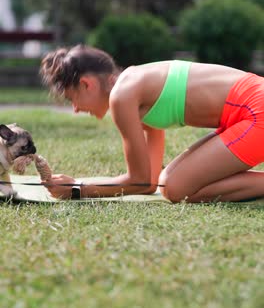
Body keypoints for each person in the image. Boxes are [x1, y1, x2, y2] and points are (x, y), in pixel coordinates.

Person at [40, 44, 264, 202]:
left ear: (86, 84)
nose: (76, 109)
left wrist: (78, 189)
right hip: (249, 111)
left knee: (176, 187)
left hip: (257, 111)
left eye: (72, 99)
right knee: (173, 184)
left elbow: (139, 181)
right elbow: (149, 181)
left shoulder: (122, 95)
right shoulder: (137, 87)